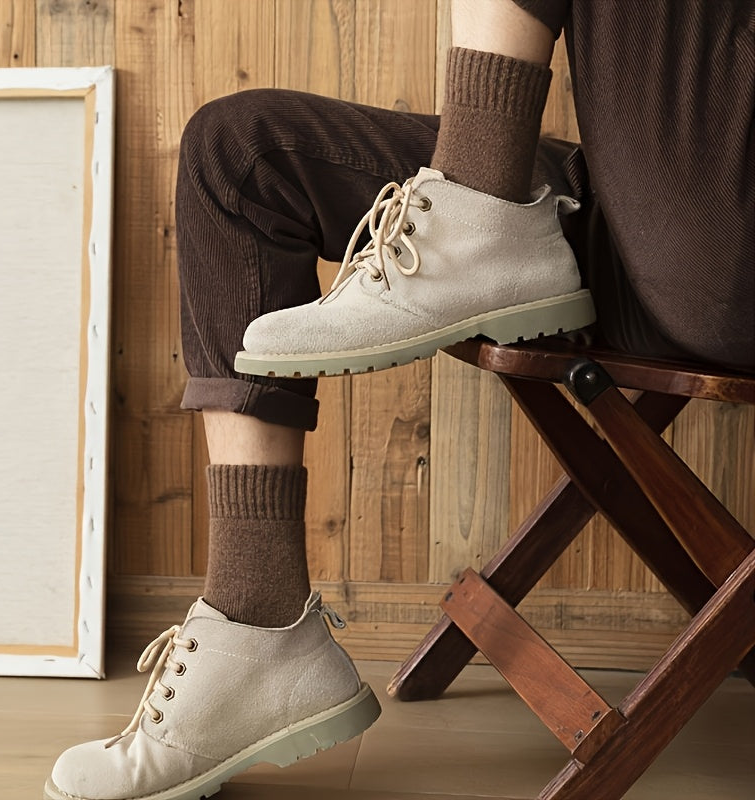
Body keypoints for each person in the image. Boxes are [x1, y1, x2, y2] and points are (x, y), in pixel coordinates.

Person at [45, 1, 754, 798]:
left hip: (727, 236)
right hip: (626, 207)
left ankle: (477, 214)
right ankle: (256, 619)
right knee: (240, 156)